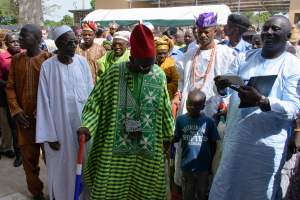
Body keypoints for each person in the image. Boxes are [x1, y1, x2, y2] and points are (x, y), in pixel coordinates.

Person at [77, 24, 174, 200]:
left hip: (146, 149)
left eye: (149, 64)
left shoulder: (158, 75)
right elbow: (95, 103)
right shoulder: (115, 72)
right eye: (142, 65)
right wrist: (87, 126)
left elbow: (165, 108)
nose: (147, 70)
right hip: (114, 153)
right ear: (132, 57)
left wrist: (168, 134)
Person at [210, 15, 300, 200]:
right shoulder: (244, 57)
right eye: (266, 27)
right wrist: (221, 87)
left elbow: (293, 108)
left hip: (264, 148)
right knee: (225, 189)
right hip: (236, 140)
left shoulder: (293, 66)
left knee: (258, 193)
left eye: (275, 29)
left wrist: (263, 101)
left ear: (288, 35)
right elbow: (226, 90)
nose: (268, 32)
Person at [173, 12, 235, 187]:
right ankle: (187, 184)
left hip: (213, 111)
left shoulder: (226, 53)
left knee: (213, 149)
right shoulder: (189, 53)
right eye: (199, 31)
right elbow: (182, 82)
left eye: (207, 31)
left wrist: (226, 103)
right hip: (189, 111)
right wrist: (178, 97)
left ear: (215, 31)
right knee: (187, 148)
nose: (202, 35)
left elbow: (231, 85)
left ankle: (209, 187)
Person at [36, 25, 93, 200]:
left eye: (75, 42)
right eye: (69, 42)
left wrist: (91, 123)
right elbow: (43, 103)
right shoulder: (47, 67)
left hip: (83, 127)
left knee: (85, 165)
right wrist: (49, 135)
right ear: (59, 43)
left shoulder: (82, 62)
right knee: (63, 168)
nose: (74, 46)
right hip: (59, 130)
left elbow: (91, 95)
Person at [6, 24, 51, 200]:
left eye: (24, 36)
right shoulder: (16, 60)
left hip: (46, 121)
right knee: (29, 161)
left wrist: (44, 113)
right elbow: (10, 88)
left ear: (38, 38)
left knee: (52, 159)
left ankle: (56, 191)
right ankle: (36, 192)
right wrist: (16, 111)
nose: (20, 39)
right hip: (24, 121)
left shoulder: (48, 60)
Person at [173, 89, 219, 200]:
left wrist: (210, 164)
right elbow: (176, 138)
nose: (191, 108)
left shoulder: (208, 122)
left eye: (195, 106)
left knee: (202, 193)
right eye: (189, 104)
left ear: (202, 107)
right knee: (187, 193)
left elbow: (213, 144)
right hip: (187, 165)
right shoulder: (180, 120)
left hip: (203, 167)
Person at [0, 33, 22, 166]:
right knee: (13, 125)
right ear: (6, 44)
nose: (16, 43)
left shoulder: (25, 54)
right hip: (8, 97)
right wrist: (10, 85)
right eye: (12, 42)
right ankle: (18, 154)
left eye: (17, 41)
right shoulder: (2, 58)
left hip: (26, 97)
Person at [155, 35, 179, 100]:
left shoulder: (171, 63)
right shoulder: (152, 63)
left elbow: (176, 81)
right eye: (160, 53)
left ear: (168, 53)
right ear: (156, 52)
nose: (162, 56)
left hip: (168, 96)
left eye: (164, 53)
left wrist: (163, 86)